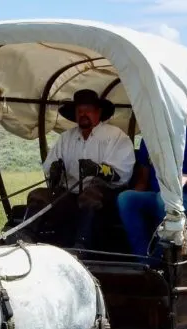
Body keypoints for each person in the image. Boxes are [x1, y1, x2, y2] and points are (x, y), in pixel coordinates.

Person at [21, 89, 135, 249]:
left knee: (90, 196)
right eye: (79, 111)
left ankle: (80, 246)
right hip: (70, 194)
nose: (83, 114)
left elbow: (122, 174)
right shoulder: (66, 138)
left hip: (105, 196)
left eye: (88, 110)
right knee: (38, 195)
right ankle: (23, 238)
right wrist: (54, 170)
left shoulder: (116, 136)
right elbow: (50, 166)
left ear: (99, 112)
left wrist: (97, 170)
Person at [116, 124, 187, 258]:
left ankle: (161, 256)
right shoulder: (148, 138)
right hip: (157, 196)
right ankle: (142, 257)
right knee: (125, 198)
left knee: (162, 199)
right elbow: (142, 181)